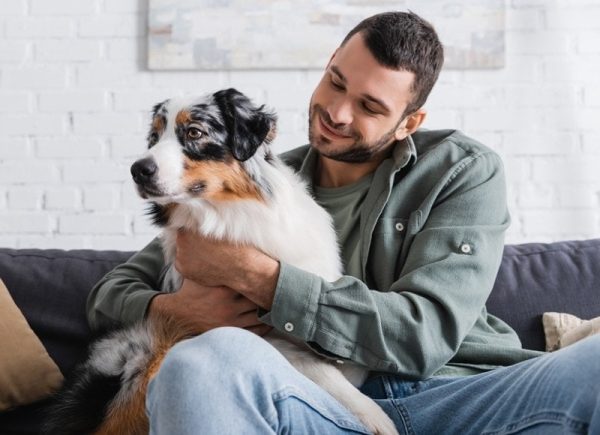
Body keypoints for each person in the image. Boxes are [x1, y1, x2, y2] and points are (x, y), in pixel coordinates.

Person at [87, 11, 600, 435]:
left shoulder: (463, 170)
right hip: (316, 405)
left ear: (409, 123)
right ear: (330, 62)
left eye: (370, 106)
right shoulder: (255, 178)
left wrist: (257, 276)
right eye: (336, 82)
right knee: (199, 363)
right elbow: (110, 293)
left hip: (460, 397)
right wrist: (172, 308)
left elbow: (422, 338)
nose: (337, 112)